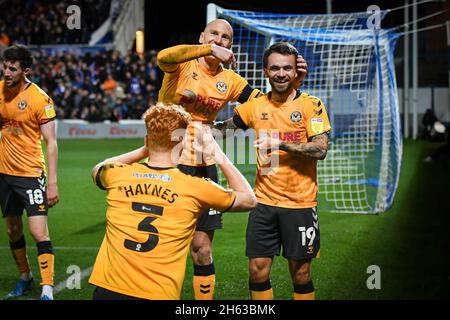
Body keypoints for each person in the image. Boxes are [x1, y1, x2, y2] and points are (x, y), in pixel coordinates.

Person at [156, 18, 308, 299]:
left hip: (204, 166)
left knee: (202, 247)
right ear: (202, 37)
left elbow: (266, 103)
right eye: (213, 34)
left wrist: (295, 83)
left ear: (231, 45)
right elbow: (163, 56)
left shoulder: (231, 80)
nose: (219, 40)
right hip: (168, 164)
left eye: (226, 37)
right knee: (164, 245)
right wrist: (205, 51)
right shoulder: (183, 64)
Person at [88, 102, 256, 300]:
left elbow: (98, 168)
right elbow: (249, 199)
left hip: (108, 290)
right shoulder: (196, 187)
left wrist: (144, 150)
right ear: (182, 143)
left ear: (147, 139)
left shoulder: (117, 176)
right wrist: (216, 153)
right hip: (158, 293)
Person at [214, 42, 331, 300]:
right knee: (257, 270)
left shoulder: (312, 105)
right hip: (263, 204)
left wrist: (280, 144)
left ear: (294, 71)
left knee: (301, 274)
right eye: (275, 68)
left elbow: (321, 149)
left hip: (300, 204)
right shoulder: (254, 107)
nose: (281, 73)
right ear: (266, 71)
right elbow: (222, 130)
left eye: (287, 68)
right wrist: (194, 123)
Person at [0, 45, 59, 300]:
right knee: (13, 229)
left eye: (12, 68)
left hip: (31, 174)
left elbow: (52, 143)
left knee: (38, 231)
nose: (6, 72)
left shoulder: (40, 98)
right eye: (4, 66)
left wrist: (53, 183)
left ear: (25, 70)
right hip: (3, 174)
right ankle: (26, 277)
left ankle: (47, 288)